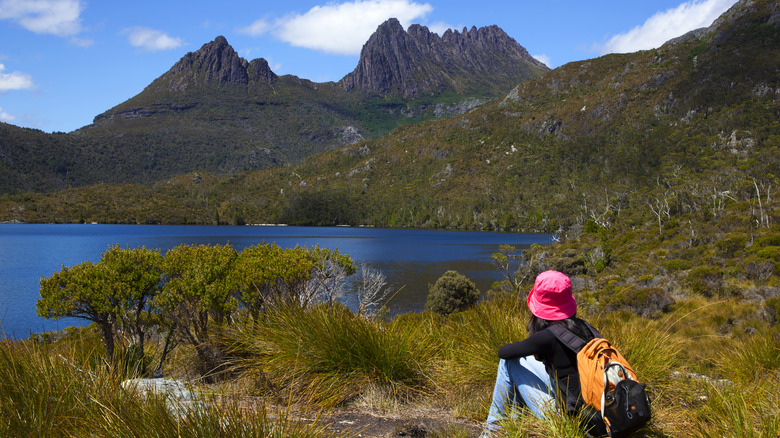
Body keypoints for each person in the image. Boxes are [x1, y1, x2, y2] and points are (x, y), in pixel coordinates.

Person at [482, 270, 606, 436]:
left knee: (509, 362)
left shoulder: (547, 337)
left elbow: (503, 352)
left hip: (572, 423)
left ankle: (491, 431)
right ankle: (515, 425)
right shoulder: (587, 329)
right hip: (599, 416)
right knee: (524, 361)